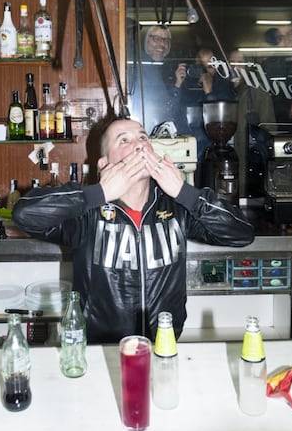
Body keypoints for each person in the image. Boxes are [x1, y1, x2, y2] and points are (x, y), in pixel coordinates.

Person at [13, 117, 254, 344]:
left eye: (143, 138)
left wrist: (184, 192)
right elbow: (25, 214)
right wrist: (100, 193)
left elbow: (242, 233)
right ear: (104, 163)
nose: (139, 145)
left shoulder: (177, 207)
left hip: (163, 345)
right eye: (124, 140)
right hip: (101, 350)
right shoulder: (86, 213)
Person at [228, 48, 277, 197]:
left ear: (247, 67)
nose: (236, 67)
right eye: (232, 62)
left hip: (250, 177)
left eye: (241, 63)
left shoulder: (259, 95)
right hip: (222, 169)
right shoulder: (219, 91)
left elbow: (270, 134)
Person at [128, 24, 188, 135]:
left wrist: (178, 83)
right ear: (146, 41)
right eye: (156, 39)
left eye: (166, 40)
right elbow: (164, 109)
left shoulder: (169, 68)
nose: (162, 44)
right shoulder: (140, 65)